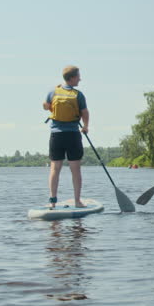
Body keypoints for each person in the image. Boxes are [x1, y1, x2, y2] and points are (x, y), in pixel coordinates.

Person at [42, 66, 89, 208]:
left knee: (55, 168)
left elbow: (45, 106)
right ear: (72, 78)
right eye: (78, 76)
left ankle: (52, 202)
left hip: (56, 135)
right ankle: (77, 201)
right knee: (75, 169)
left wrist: (52, 108)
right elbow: (85, 112)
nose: (80, 79)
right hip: (73, 134)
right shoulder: (78, 94)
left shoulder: (53, 91)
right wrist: (85, 127)